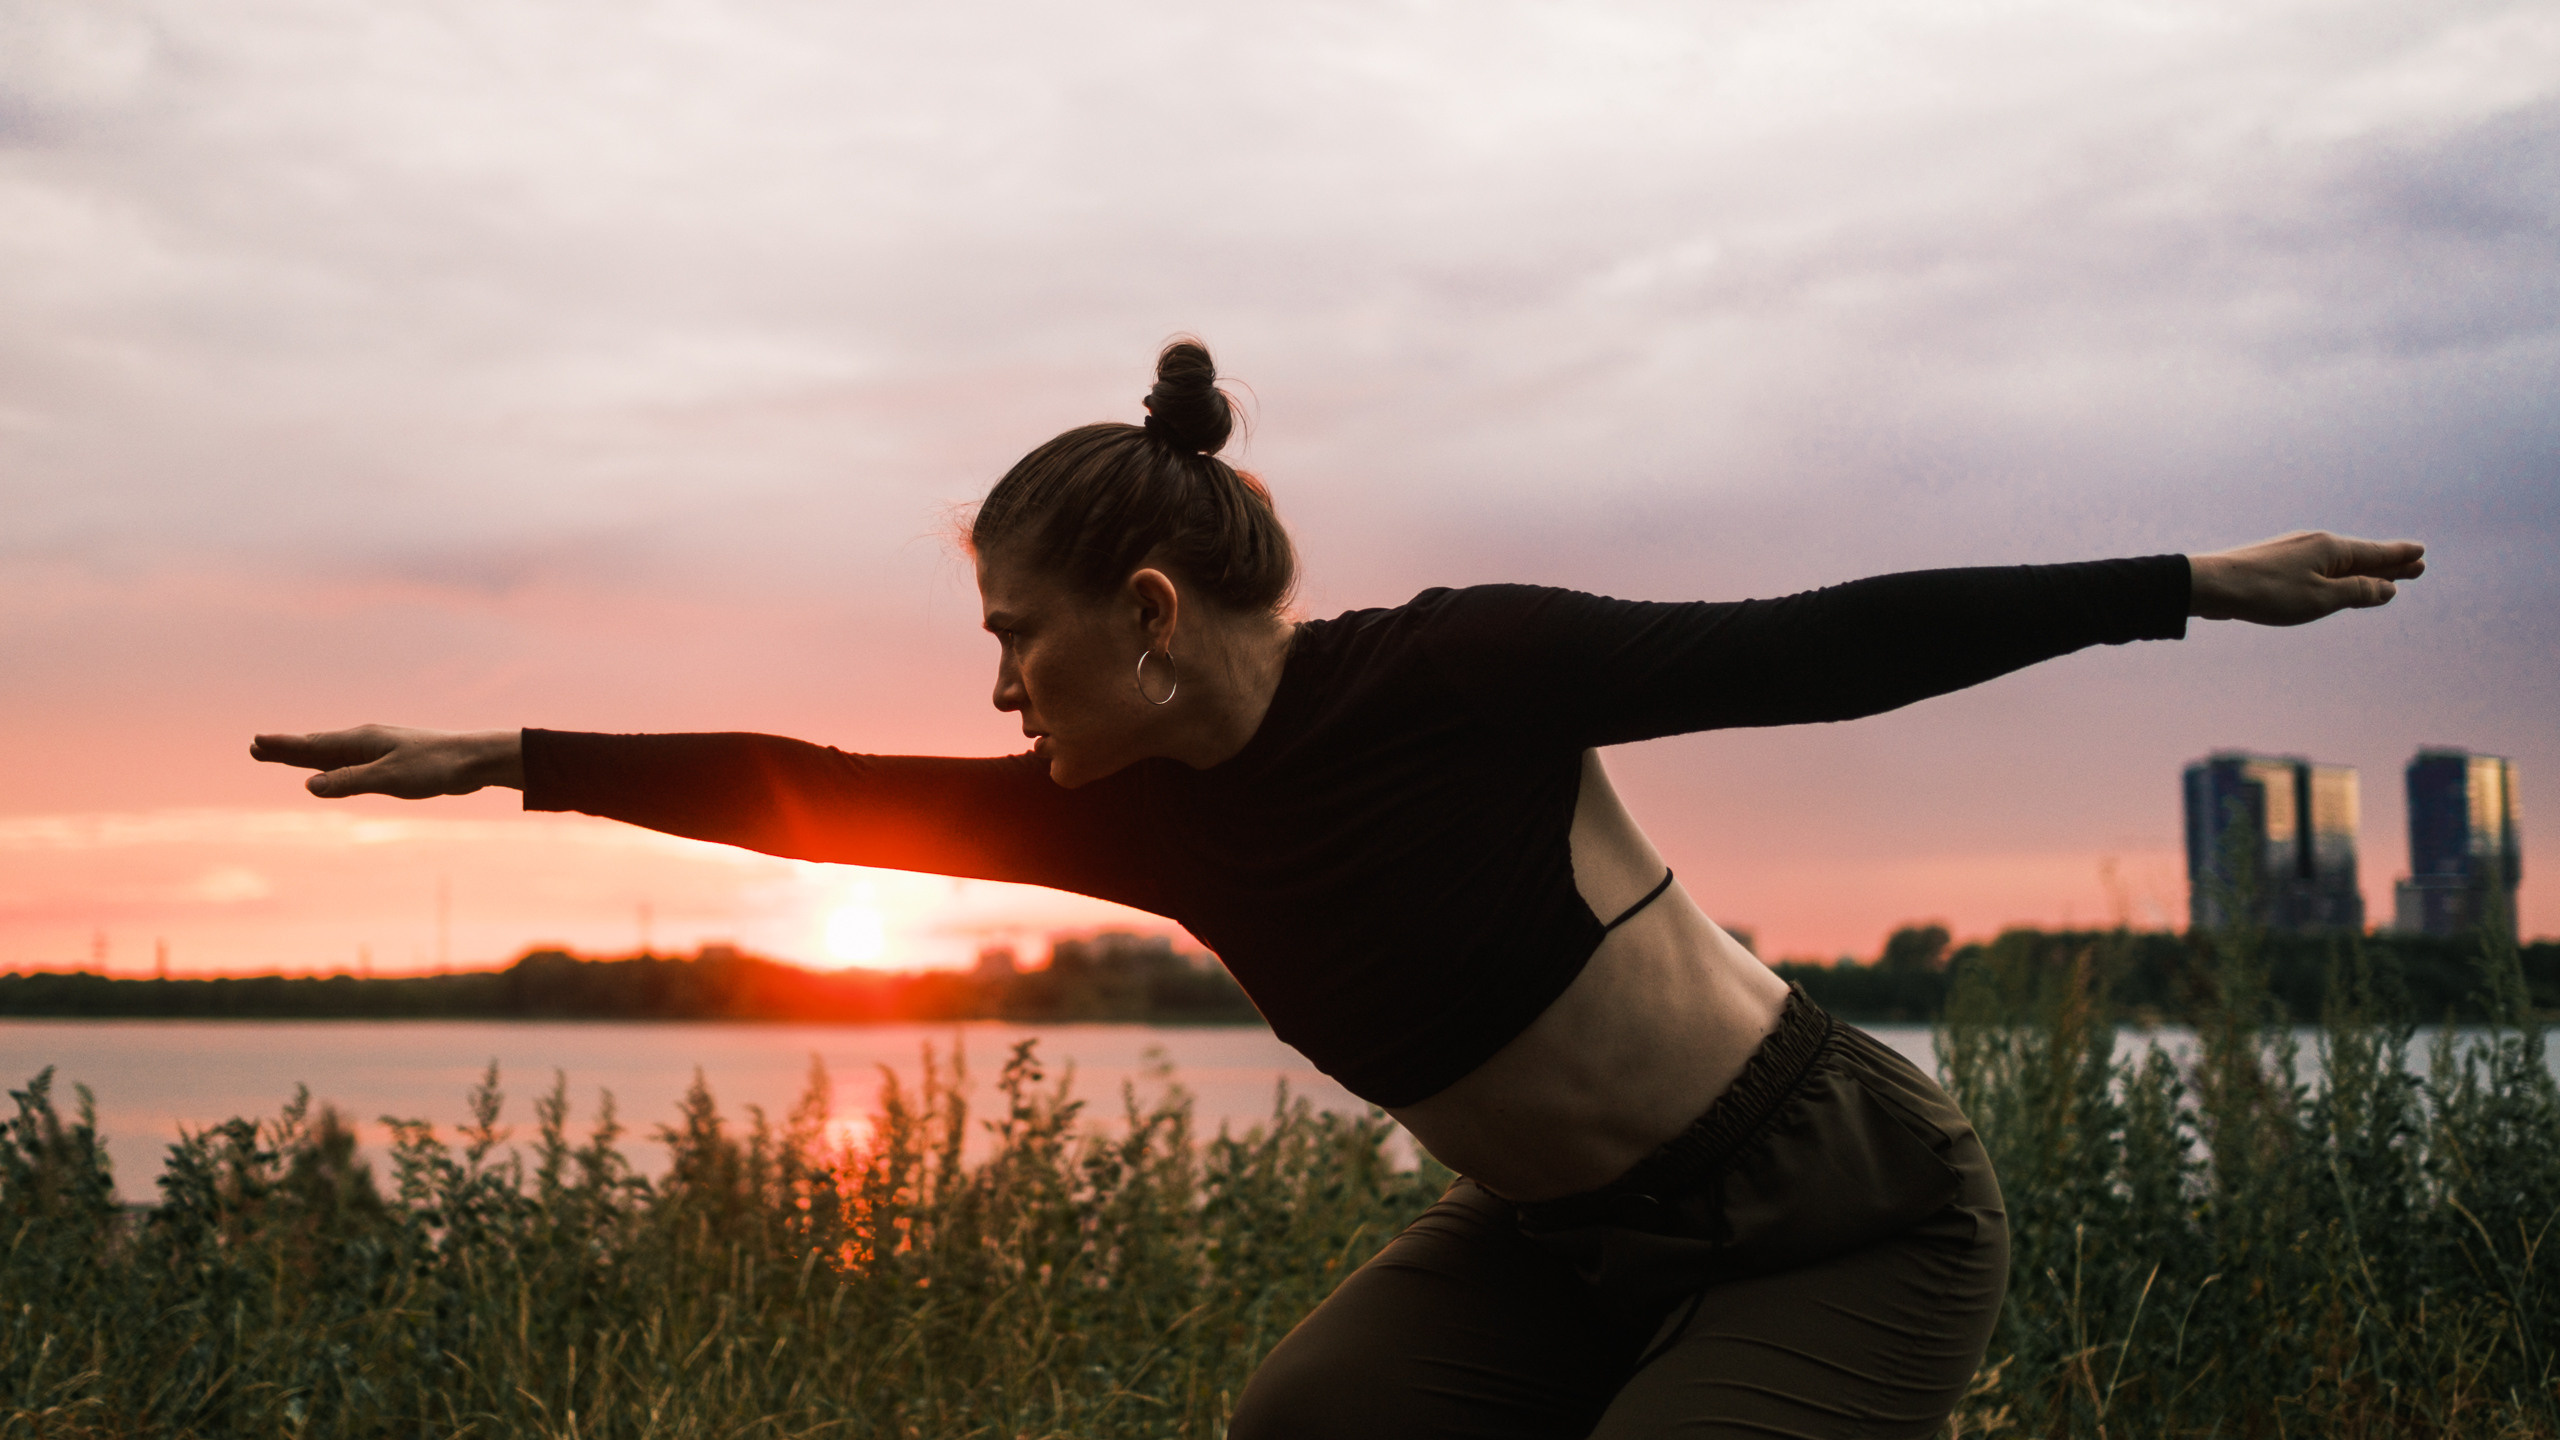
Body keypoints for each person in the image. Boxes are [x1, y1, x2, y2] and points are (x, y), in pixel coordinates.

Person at [253, 339, 2423, 1438]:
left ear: (1150, 608)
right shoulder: (1129, 810)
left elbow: (1811, 647)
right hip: (1548, 1242)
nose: (994, 684)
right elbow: (814, 794)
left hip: (1838, 1208)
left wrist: (2182, 588)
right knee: (1302, 1426)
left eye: (1020, 635)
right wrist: (515, 760)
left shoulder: (1459, 672)